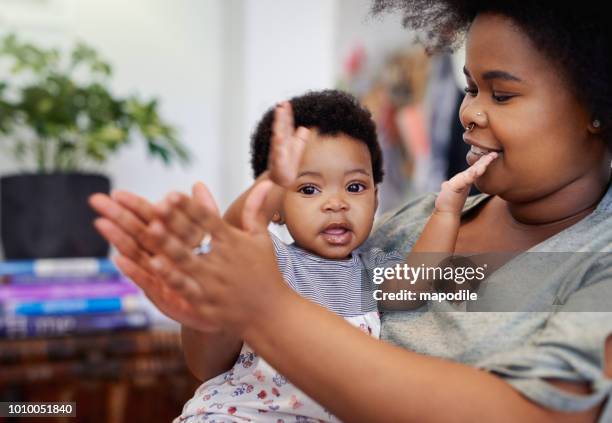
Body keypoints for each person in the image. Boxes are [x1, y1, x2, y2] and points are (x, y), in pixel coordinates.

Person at [89, 1, 612, 422]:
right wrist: (216, 295)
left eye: (501, 94)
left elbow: (537, 413)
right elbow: (212, 363)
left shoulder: (599, 260)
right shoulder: (417, 222)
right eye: (472, 88)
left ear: (596, 105)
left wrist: (266, 309)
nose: (469, 112)